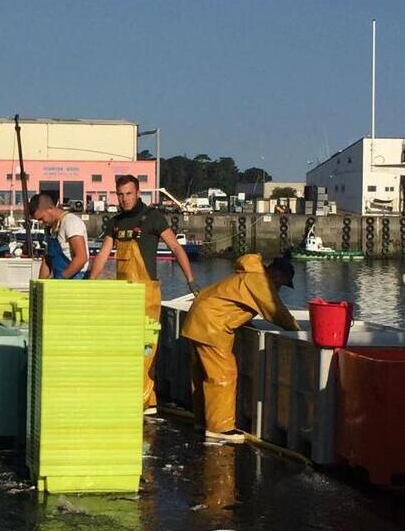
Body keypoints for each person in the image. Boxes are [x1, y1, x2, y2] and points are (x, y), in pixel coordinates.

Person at [90, 175, 197, 416]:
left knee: (146, 349)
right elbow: (103, 253)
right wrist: (91, 282)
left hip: (146, 295)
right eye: (120, 194)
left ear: (138, 193)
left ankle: (146, 401)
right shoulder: (115, 223)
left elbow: (176, 248)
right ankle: (141, 398)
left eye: (128, 193)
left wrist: (190, 280)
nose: (124, 199)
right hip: (123, 297)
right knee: (126, 348)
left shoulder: (153, 218)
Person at [181, 254, 300, 443]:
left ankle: (203, 421)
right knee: (224, 374)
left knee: (203, 374)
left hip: (198, 320)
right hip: (212, 326)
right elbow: (276, 312)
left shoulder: (247, 276)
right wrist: (298, 331)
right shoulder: (259, 281)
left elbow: (235, 305)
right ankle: (220, 427)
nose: (279, 287)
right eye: (282, 282)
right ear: (278, 275)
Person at [29, 192, 89, 279]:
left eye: (41, 218)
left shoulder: (71, 222)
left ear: (50, 208)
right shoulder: (51, 229)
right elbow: (47, 260)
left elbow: (81, 258)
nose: (40, 223)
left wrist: (61, 278)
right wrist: (40, 284)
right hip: (60, 278)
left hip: (75, 279)